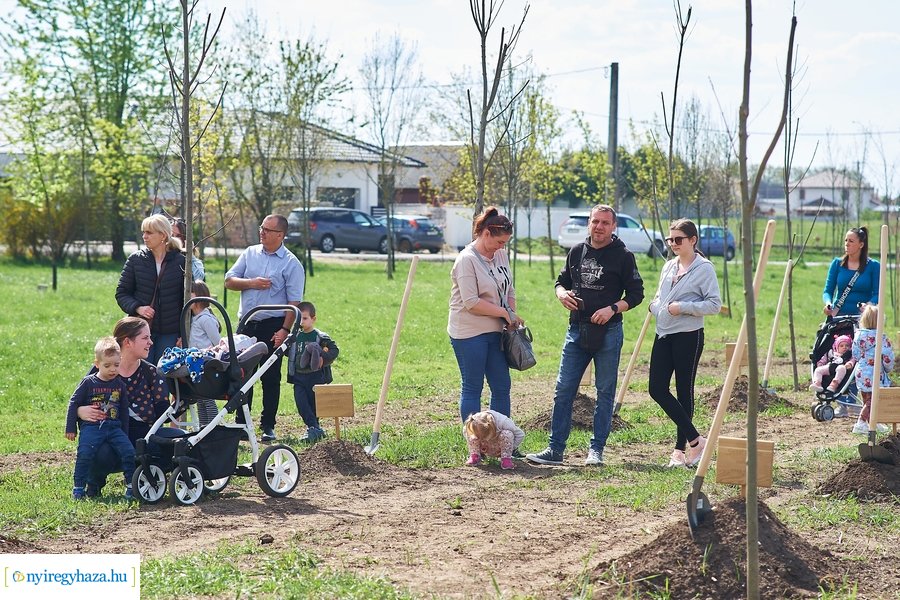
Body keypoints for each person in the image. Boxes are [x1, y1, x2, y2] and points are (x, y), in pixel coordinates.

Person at [527, 204, 644, 467]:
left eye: (605, 222)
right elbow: (561, 282)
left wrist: (612, 309)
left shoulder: (623, 256)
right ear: (589, 223)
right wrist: (561, 294)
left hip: (609, 332)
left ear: (613, 226)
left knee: (605, 392)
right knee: (563, 390)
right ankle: (555, 450)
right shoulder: (577, 251)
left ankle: (596, 451)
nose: (599, 227)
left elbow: (636, 294)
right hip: (576, 330)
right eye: (595, 221)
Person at [75, 317, 183, 497]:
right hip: (110, 435)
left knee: (181, 440)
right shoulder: (101, 371)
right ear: (128, 342)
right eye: (145, 338)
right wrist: (80, 411)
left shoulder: (151, 372)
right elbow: (76, 401)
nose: (151, 342)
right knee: (95, 448)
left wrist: (180, 395)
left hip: (143, 436)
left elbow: (163, 413)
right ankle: (93, 484)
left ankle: (144, 475)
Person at [646, 219, 720, 468]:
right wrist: (655, 306)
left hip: (688, 336)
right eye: (670, 239)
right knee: (656, 389)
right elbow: (660, 296)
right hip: (663, 333)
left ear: (693, 240)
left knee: (683, 391)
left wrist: (683, 307)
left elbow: (714, 304)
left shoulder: (704, 269)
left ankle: (680, 451)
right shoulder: (668, 266)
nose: (673, 244)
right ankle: (696, 440)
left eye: (679, 239)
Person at [225, 214, 305, 442]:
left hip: (273, 326)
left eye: (268, 230)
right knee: (242, 374)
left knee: (270, 376)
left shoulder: (291, 263)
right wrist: (251, 283)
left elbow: (294, 302)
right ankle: (241, 424)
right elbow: (229, 281)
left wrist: (285, 330)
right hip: (247, 324)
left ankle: (268, 425)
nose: (262, 232)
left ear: (280, 235)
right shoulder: (249, 253)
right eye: (262, 227)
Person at [448, 207, 524, 423]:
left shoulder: (501, 255)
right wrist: (504, 313)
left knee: (502, 385)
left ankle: (500, 436)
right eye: (500, 242)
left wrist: (510, 315)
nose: (502, 247)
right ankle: (475, 439)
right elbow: (471, 302)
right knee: (473, 386)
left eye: (505, 243)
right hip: (469, 332)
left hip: (496, 331)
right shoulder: (466, 260)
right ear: (486, 233)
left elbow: (509, 289)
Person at [65, 337, 135, 500]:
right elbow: (73, 402)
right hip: (92, 427)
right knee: (85, 453)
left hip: (114, 427)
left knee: (129, 452)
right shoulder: (88, 382)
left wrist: (124, 432)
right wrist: (70, 427)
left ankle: (131, 486)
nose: (112, 370)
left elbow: (124, 411)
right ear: (97, 364)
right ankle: (79, 487)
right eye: (107, 365)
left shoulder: (119, 385)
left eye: (116, 365)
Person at [116, 214, 186, 365]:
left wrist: (183, 333)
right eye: (143, 232)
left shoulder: (181, 261)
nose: (144, 236)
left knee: (164, 373)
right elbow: (122, 293)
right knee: (140, 371)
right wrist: (138, 308)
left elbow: (186, 300)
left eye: (149, 232)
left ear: (163, 235)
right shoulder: (135, 260)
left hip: (170, 332)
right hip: (140, 330)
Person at [287, 301, 339, 443]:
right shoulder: (294, 337)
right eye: (299, 319)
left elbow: (334, 350)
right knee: (301, 403)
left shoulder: (320, 337)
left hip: (315, 377)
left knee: (313, 404)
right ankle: (314, 427)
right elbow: (288, 352)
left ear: (313, 319)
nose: (301, 322)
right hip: (298, 377)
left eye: (305, 318)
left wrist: (323, 358)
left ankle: (314, 428)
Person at [851, 304, 894, 435]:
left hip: (861, 372)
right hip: (875, 374)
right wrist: (888, 369)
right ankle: (861, 422)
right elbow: (887, 358)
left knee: (866, 399)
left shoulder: (858, 335)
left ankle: (873, 422)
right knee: (873, 401)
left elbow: (855, 355)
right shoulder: (881, 338)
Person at [822, 226, 879, 317]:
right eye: (846, 240)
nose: (847, 244)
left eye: (851, 241)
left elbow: (878, 294)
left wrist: (868, 305)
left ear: (861, 245)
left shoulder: (874, 266)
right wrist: (828, 304)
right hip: (838, 316)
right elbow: (828, 291)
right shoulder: (836, 263)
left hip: (863, 318)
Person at [189, 280, 221, 349]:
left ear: (199, 296)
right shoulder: (192, 318)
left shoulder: (206, 320)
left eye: (190, 295)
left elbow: (218, 343)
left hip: (206, 355)